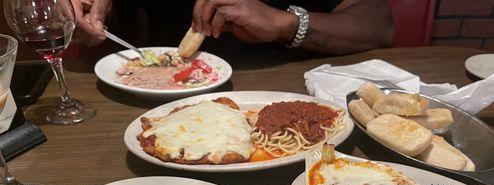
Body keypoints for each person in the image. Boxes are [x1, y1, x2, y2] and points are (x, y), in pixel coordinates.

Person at [72, 0, 393, 56]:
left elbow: (378, 26)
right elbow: (102, 28)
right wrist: (84, 22)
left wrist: (284, 24)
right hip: (158, 101)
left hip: (283, 94)